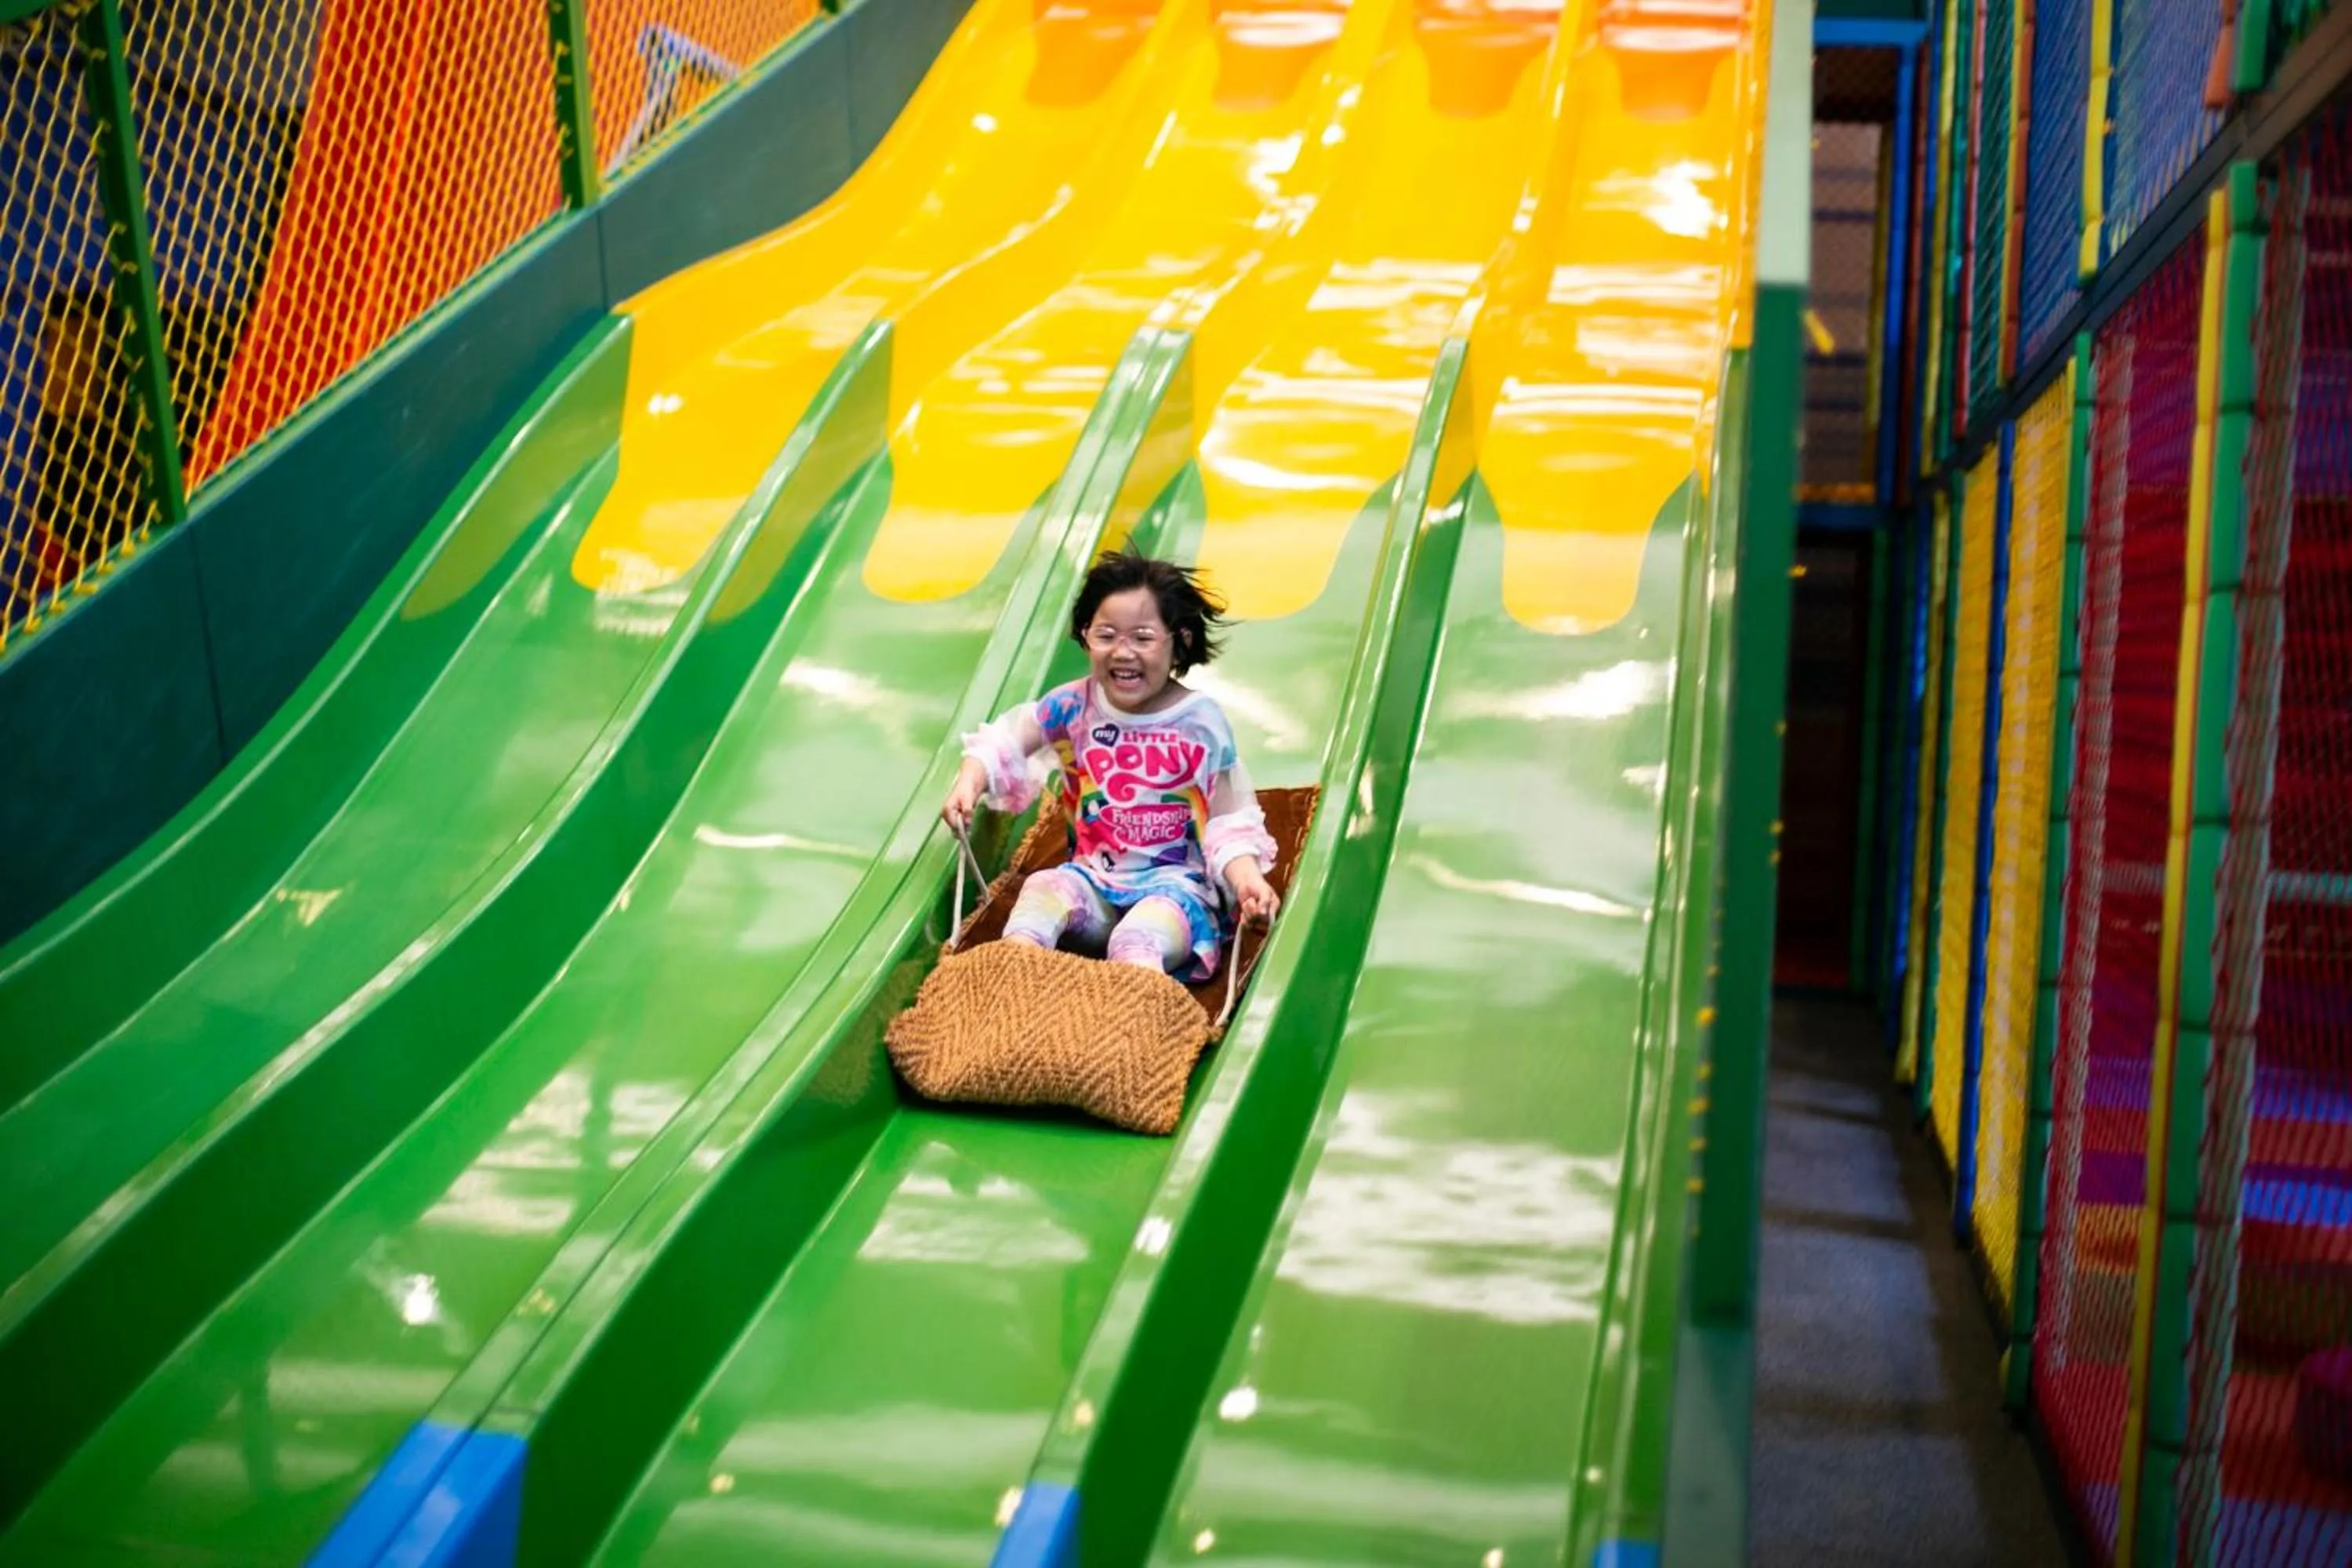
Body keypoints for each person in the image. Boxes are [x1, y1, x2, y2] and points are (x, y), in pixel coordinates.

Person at [943, 547, 1279, 979]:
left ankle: (1131, 1025)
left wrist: (1247, 880)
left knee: (1135, 940)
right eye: (1106, 635)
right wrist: (968, 784)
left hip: (1175, 895)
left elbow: (1228, 823)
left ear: (1181, 641)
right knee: (1041, 892)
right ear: (1086, 636)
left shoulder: (1200, 723)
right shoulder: (1073, 706)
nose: (1123, 652)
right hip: (1093, 888)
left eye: (1142, 637)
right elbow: (1006, 740)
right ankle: (1013, 995)